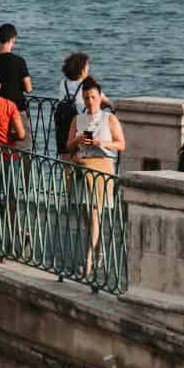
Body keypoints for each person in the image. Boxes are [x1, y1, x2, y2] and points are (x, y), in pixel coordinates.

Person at [66, 77, 126, 274]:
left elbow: (121, 144)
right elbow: (68, 146)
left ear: (100, 98)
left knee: (93, 214)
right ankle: (99, 252)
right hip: (82, 167)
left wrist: (102, 143)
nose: (90, 101)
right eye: (86, 97)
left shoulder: (109, 118)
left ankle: (89, 260)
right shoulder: (79, 119)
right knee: (87, 216)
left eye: (93, 97)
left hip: (101, 168)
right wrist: (78, 139)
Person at [0, 23, 32, 149]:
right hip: (16, 109)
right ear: (13, 39)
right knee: (23, 147)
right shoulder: (19, 61)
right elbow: (28, 88)